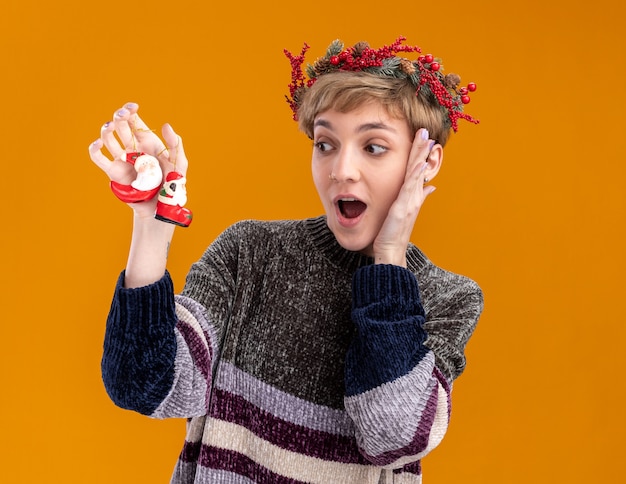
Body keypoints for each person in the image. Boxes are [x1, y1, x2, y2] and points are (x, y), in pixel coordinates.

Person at [89, 36, 484, 484]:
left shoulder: (448, 296)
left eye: (373, 147)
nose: (341, 170)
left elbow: (391, 436)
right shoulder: (249, 252)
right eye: (325, 144)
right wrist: (154, 219)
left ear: (427, 161)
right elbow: (142, 383)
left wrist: (389, 259)